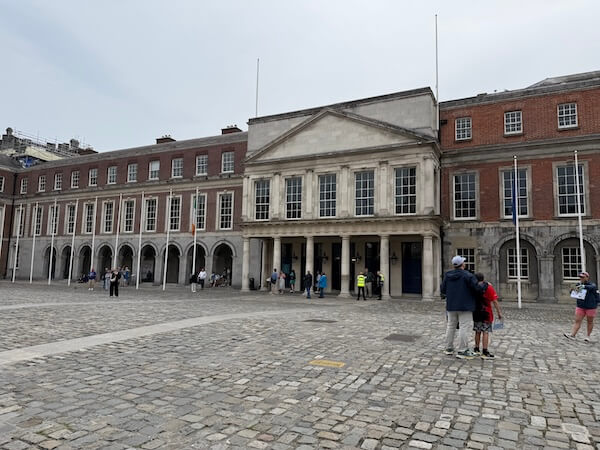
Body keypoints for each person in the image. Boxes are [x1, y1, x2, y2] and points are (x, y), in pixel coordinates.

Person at [441, 255, 487, 359]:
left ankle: (448, 348)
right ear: (462, 264)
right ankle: (462, 350)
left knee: (450, 326)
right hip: (465, 306)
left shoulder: (448, 275)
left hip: (451, 305)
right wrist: (484, 285)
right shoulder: (468, 275)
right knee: (464, 327)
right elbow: (477, 289)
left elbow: (443, 289)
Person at [473, 273, 502, 358]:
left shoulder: (474, 287)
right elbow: (495, 301)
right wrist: (499, 312)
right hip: (486, 311)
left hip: (476, 311)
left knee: (477, 331)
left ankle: (476, 348)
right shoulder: (489, 287)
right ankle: (485, 350)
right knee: (485, 331)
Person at [565, 271, 599, 342]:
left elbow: (592, 287)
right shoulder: (578, 284)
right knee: (577, 320)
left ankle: (588, 336)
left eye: (583, 277)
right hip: (580, 306)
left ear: (587, 277)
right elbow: (573, 292)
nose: (581, 279)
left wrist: (584, 286)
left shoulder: (592, 285)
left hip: (591, 306)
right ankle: (572, 335)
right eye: (580, 277)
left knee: (590, 321)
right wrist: (572, 289)